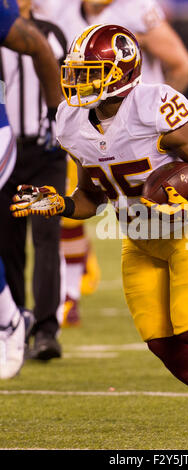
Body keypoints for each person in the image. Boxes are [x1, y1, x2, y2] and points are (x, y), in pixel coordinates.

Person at [10, 23, 188, 440]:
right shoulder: (71, 123)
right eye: (78, 71)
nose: (80, 81)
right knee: (161, 342)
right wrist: (61, 203)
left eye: (92, 71)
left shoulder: (154, 106)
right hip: (137, 238)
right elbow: (93, 197)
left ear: (123, 73)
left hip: (183, 232)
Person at [36, 0, 188, 327]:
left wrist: (151, 120)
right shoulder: (62, 11)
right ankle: (71, 293)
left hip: (143, 139)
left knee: (162, 211)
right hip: (92, 125)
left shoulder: (136, 9)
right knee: (79, 197)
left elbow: (182, 65)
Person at [0, 0, 67, 360]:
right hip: (8, 151)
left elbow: (72, 84)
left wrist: (62, 124)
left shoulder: (52, 34)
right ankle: (16, 323)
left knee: (46, 239)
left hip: (46, 154)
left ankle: (46, 330)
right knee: (8, 243)